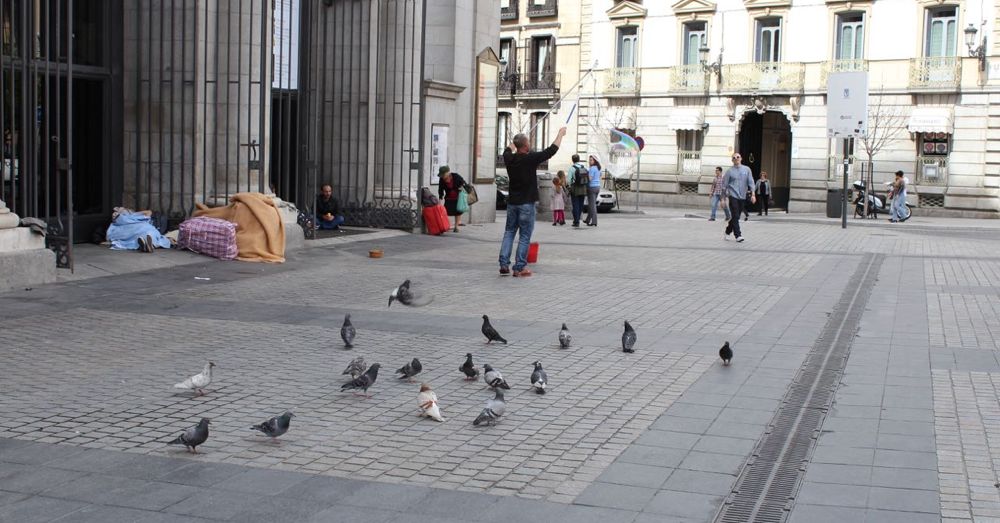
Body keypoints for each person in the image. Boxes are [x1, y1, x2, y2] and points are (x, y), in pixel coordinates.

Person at [499, 126, 566, 277]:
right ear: (526, 146)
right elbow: (551, 150)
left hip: (512, 203)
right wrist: (560, 133)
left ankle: (504, 263)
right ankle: (519, 267)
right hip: (526, 203)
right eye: (528, 142)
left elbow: (507, 149)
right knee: (524, 235)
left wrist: (514, 142)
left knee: (509, 232)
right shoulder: (531, 158)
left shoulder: (509, 158)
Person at [724, 153, 756, 242]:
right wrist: (723, 199)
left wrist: (753, 194)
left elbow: (751, 182)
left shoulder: (747, 169)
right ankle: (738, 235)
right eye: (734, 158)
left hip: (743, 196)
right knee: (736, 214)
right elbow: (724, 185)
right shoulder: (729, 171)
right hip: (733, 195)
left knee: (736, 216)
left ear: (741, 158)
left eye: (738, 157)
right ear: (732, 160)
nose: (736, 158)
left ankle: (727, 231)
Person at [437, 166, 467, 232]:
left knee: (458, 212)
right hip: (448, 198)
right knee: (445, 212)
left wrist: (461, 187)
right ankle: (446, 225)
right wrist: (440, 198)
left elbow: (463, 183)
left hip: (458, 197)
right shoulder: (442, 180)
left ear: (448, 173)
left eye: (443, 175)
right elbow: (440, 189)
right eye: (441, 175)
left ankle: (456, 227)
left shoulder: (456, 176)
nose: (442, 176)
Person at [569, 154, 589, 227]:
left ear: (572, 160)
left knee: (575, 205)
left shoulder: (572, 168)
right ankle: (577, 219)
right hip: (583, 188)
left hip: (575, 188)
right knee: (581, 205)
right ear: (579, 159)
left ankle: (576, 221)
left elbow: (569, 180)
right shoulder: (583, 167)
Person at [584, 154, 602, 227]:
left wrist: (586, 176)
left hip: (591, 187)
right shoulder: (598, 168)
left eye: (591, 160)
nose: (589, 161)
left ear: (595, 161)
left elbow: (590, 179)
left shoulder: (592, 169)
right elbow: (600, 175)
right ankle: (588, 220)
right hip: (597, 187)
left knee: (592, 205)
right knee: (592, 205)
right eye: (589, 160)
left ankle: (594, 221)